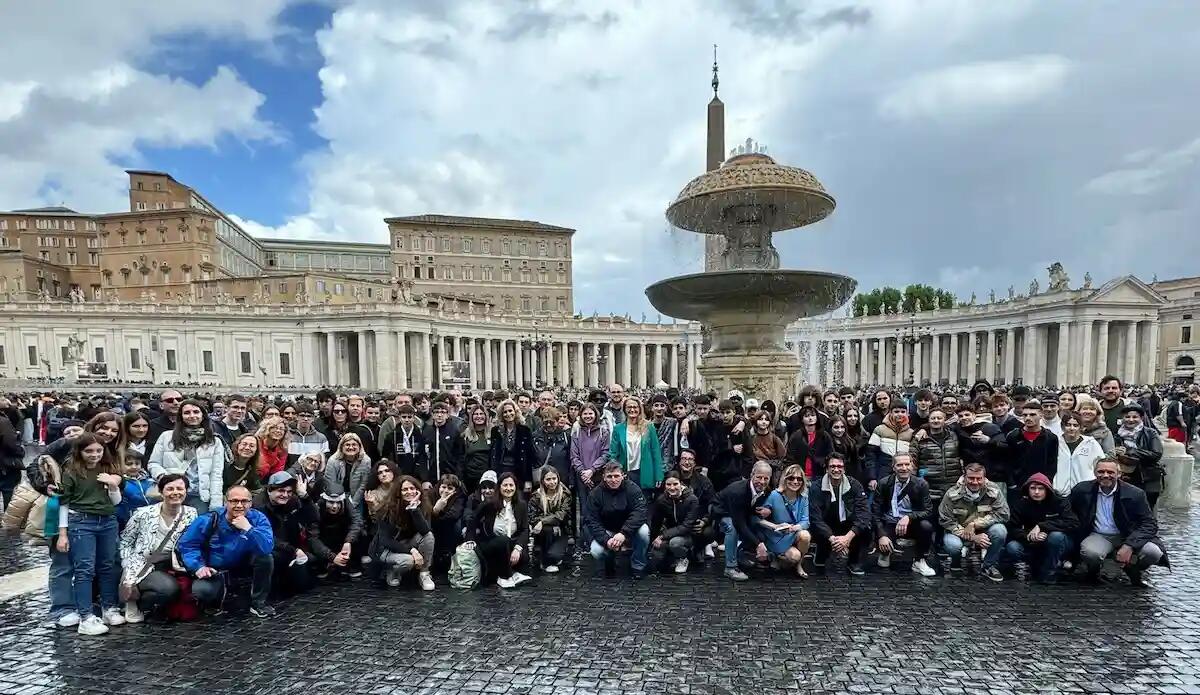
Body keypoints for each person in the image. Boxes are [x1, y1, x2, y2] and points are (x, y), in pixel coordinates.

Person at [56, 433, 125, 635]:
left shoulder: (108, 469)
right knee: (84, 569)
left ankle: (109, 607)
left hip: (107, 520)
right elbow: (63, 503)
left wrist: (113, 485)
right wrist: (63, 533)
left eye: (98, 450)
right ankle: (85, 616)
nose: (94, 454)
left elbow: (116, 502)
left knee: (108, 566)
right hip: (81, 521)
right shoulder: (70, 471)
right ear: (80, 451)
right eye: (89, 451)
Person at [176, 484, 276, 617]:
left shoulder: (258, 519)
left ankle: (258, 603)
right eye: (234, 501)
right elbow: (188, 545)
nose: (239, 505)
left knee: (266, 558)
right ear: (225, 502)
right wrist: (198, 566)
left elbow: (267, 547)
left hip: (243, 562)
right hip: (215, 568)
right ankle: (214, 599)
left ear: (251, 503)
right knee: (203, 591)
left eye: (244, 501)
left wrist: (249, 529)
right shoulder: (209, 520)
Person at [1071, 458, 1168, 587]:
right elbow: (1068, 512)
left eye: (1110, 472)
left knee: (1153, 552)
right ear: (1095, 473)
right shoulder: (1081, 490)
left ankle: (1133, 569)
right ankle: (1093, 572)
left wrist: (1129, 545)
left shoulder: (1135, 493)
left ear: (1119, 474)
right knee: (1091, 553)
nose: (1105, 475)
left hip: (1128, 534)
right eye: (1101, 471)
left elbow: (1149, 523)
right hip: (1098, 535)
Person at [118, 473, 197, 623]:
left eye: (180, 488)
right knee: (168, 588)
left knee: (183, 589)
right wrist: (128, 564)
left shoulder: (191, 513)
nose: (175, 492)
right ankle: (136, 602)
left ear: (186, 491)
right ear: (161, 492)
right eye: (170, 489)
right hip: (145, 562)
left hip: (174, 563)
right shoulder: (143, 513)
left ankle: (160, 609)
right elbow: (126, 541)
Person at [148, 399, 228, 513]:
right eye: (187, 413)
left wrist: (216, 505)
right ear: (181, 416)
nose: (192, 416)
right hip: (171, 493)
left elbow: (216, 474)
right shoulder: (166, 437)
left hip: (198, 495)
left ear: (203, 415)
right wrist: (164, 478)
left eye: (196, 412)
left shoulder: (214, 441)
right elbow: (153, 463)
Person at [938, 462, 1009, 581]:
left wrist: (975, 524)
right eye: (971, 478)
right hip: (958, 531)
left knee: (1000, 531)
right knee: (953, 545)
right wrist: (972, 537)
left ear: (984, 478)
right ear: (964, 477)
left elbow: (1003, 514)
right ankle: (956, 563)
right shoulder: (952, 493)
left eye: (979, 479)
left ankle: (988, 566)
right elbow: (946, 520)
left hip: (985, 530)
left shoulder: (994, 490)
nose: (975, 482)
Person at [1002, 472, 1078, 583]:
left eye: (1041, 488)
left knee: (1055, 537)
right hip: (1032, 541)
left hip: (1058, 541)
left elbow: (1073, 522)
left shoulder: (1060, 502)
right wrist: (1028, 536)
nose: (1036, 492)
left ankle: (1050, 572)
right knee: (1012, 547)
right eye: (1033, 488)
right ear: (1028, 489)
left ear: (1047, 489)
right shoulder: (1021, 504)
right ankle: (1034, 566)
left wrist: (1043, 527)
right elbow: (1012, 528)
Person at [872, 453, 936, 577]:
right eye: (899, 465)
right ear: (893, 467)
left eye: (907, 464)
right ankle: (885, 552)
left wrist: (909, 517)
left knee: (926, 526)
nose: (904, 468)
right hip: (889, 521)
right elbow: (876, 511)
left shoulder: (921, 484)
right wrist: (881, 535)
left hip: (911, 523)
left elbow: (928, 510)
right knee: (883, 563)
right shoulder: (884, 483)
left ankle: (919, 560)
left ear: (912, 466)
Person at [464, 472, 532, 588]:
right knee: (503, 541)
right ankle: (505, 576)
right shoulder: (489, 504)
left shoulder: (521, 505)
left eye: (511, 485)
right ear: (499, 487)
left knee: (523, 556)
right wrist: (470, 539)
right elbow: (473, 520)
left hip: (511, 542)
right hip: (491, 542)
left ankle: (512, 573)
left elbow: (525, 529)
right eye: (505, 485)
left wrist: (518, 548)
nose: (508, 488)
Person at [369, 474, 436, 590]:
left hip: (406, 543)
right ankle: (392, 570)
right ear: (398, 492)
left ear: (418, 490)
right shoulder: (387, 509)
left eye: (412, 488)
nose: (409, 492)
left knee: (429, 536)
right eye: (405, 489)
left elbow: (425, 531)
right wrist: (412, 551)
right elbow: (385, 540)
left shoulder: (423, 506)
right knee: (408, 561)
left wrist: (414, 510)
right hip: (385, 549)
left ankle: (424, 574)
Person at [584, 463, 650, 579]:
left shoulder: (633, 489)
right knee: (596, 551)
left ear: (623, 476)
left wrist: (624, 533)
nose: (613, 480)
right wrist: (606, 540)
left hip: (628, 531)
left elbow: (640, 512)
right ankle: (609, 560)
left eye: (616, 476)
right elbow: (591, 520)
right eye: (609, 477)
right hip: (607, 531)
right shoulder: (595, 494)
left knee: (644, 531)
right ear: (604, 477)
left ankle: (638, 566)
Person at [712, 460, 773, 582]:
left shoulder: (766, 489)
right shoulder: (738, 491)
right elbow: (739, 524)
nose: (762, 482)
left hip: (742, 512)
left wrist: (767, 510)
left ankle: (739, 554)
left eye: (766, 478)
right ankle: (730, 567)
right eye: (759, 477)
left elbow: (754, 508)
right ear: (752, 475)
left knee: (759, 531)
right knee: (732, 528)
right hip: (722, 511)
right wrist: (758, 544)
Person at [809, 455, 870, 576]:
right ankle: (822, 552)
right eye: (832, 466)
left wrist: (847, 538)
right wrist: (833, 539)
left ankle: (854, 561)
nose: (836, 469)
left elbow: (863, 514)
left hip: (847, 525)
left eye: (839, 466)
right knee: (816, 527)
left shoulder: (855, 485)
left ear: (844, 469)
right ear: (826, 469)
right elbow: (815, 518)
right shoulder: (816, 487)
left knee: (866, 528)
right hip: (826, 526)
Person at [758, 464, 812, 579]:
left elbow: (806, 521)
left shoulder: (804, 497)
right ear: (785, 479)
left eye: (799, 479)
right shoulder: (774, 495)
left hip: (793, 533)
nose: (795, 481)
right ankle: (776, 556)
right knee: (794, 556)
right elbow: (758, 518)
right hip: (777, 535)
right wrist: (774, 525)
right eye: (791, 478)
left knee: (805, 535)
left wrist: (794, 528)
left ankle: (798, 566)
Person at [998, 400, 1058, 503]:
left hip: (1040, 486)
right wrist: (1012, 484)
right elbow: (1007, 462)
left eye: (1032, 415)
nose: (1028, 418)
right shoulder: (1013, 436)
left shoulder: (1051, 438)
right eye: (1025, 415)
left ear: (1041, 415)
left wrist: (1047, 482)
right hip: (1017, 487)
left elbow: (1052, 464)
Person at [609, 397, 664, 498]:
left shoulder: (649, 426)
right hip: (625, 472)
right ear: (624, 409)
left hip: (644, 471)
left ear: (640, 409)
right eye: (629, 407)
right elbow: (613, 453)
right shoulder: (618, 428)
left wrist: (659, 475)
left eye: (635, 407)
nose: (632, 409)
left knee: (644, 503)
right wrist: (615, 472)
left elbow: (656, 452)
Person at [648, 470, 700, 574]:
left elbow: (686, 526)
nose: (672, 488)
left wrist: (662, 536)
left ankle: (684, 558)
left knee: (675, 543)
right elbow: (656, 522)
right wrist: (654, 539)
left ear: (681, 483)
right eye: (668, 484)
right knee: (656, 561)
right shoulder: (662, 500)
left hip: (688, 534)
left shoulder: (692, 499)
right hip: (669, 533)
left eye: (675, 484)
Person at [1113, 404, 1164, 508]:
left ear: (1141, 418)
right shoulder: (1117, 435)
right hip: (1125, 478)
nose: (1131, 420)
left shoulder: (1150, 433)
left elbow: (1156, 454)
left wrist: (1130, 451)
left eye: (1135, 417)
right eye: (1127, 417)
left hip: (1148, 479)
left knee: (1146, 510)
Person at [675, 448, 717, 563]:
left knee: (708, 533)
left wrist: (704, 521)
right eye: (684, 459)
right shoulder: (672, 479)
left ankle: (698, 548)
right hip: (676, 521)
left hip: (697, 521)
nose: (687, 462)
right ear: (679, 461)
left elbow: (713, 505)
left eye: (690, 459)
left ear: (694, 463)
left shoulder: (704, 482)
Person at [528, 466, 572, 572]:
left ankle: (552, 556)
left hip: (561, 531)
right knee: (547, 530)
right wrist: (548, 523)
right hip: (544, 533)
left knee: (554, 556)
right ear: (543, 481)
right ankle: (544, 558)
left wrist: (543, 521)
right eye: (548, 479)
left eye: (554, 479)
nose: (552, 482)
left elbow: (562, 515)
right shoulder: (536, 497)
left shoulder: (565, 494)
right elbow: (532, 517)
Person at [865, 399, 913, 489]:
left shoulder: (911, 433)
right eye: (896, 411)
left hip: (903, 473)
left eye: (903, 412)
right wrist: (872, 477)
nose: (900, 414)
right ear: (890, 413)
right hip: (882, 473)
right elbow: (870, 455)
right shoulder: (879, 430)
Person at [315, 490, 363, 581]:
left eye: (338, 503)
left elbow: (357, 521)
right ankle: (323, 565)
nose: (335, 506)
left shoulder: (347, 504)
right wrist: (331, 556)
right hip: (325, 538)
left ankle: (352, 564)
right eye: (331, 502)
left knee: (359, 533)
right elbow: (313, 537)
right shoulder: (318, 507)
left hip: (343, 536)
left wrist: (348, 541)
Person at [490, 399, 537, 488]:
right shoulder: (495, 431)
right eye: (505, 412)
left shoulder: (525, 431)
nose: (508, 414)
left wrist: (528, 480)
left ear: (515, 412)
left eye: (510, 411)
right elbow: (493, 454)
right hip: (500, 471)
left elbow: (529, 456)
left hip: (519, 472)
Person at [1054, 411, 1103, 495]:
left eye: (1075, 425)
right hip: (1059, 493)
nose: (1072, 428)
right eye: (1068, 425)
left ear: (1081, 427)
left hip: (1085, 492)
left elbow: (1100, 465)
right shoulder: (1055, 442)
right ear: (1062, 426)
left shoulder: (1091, 444)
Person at [570, 402, 610, 497]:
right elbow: (574, 456)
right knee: (584, 507)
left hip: (598, 475)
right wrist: (583, 473)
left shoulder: (603, 432)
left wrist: (592, 470)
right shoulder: (577, 433)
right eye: (585, 414)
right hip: (581, 477)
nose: (588, 416)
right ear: (581, 415)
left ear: (595, 415)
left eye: (590, 413)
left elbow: (605, 454)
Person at [784, 405, 833, 481]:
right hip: (800, 476)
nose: (810, 418)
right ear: (802, 419)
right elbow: (790, 457)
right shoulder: (796, 436)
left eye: (813, 415)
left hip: (819, 475)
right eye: (806, 416)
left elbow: (830, 454)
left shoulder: (824, 436)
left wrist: (821, 461)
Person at [429, 473, 466, 572]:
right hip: (432, 525)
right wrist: (436, 509)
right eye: (443, 487)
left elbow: (454, 515)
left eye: (449, 488)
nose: (445, 491)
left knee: (457, 526)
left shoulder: (459, 497)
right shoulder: (431, 494)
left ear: (455, 490)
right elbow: (426, 515)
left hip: (449, 526)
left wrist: (439, 513)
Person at [423, 401, 464, 487]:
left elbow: (460, 455)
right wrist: (425, 479)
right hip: (432, 478)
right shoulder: (427, 431)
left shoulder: (454, 431)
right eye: (436, 412)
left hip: (450, 476)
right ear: (432, 414)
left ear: (447, 415)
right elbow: (423, 456)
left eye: (443, 412)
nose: (439, 415)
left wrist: (458, 475)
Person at [324, 433, 371, 503]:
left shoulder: (366, 461)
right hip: (336, 496)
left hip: (356, 496)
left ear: (359, 447)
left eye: (354, 444)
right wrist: (339, 501)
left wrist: (353, 503)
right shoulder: (333, 461)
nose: (351, 447)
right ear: (341, 447)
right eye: (347, 445)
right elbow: (330, 483)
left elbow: (363, 485)